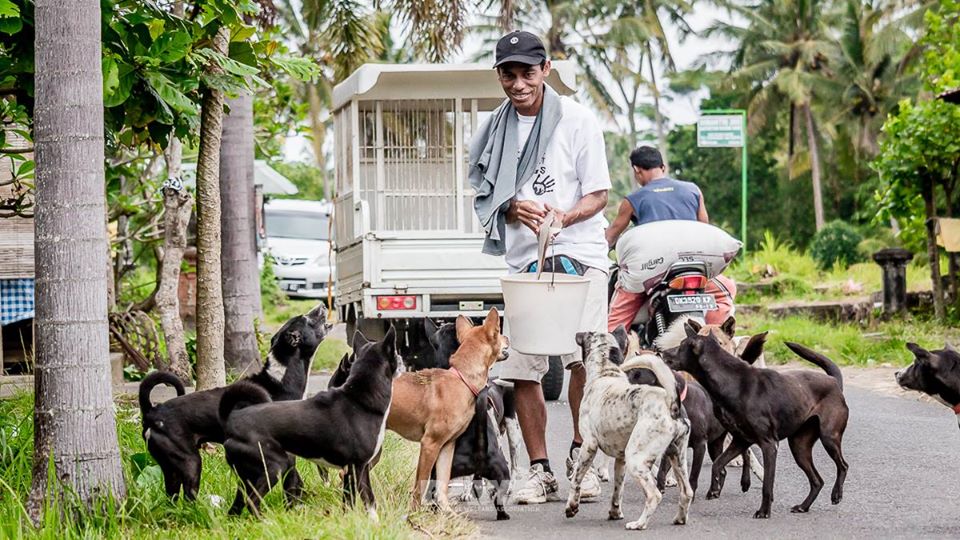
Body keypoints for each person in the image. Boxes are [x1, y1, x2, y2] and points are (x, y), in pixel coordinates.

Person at [468, 30, 611, 504]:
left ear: (546, 70)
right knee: (526, 365)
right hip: (526, 262)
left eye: (527, 72)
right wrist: (513, 208)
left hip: (583, 256)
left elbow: (599, 194)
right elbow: (486, 197)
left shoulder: (577, 120)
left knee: (583, 363)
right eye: (508, 74)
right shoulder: (493, 127)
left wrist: (565, 216)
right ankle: (539, 470)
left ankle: (582, 460)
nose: (518, 83)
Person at [605, 146, 737, 332]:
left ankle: (611, 350)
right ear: (663, 167)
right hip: (693, 265)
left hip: (653, 269)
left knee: (620, 310)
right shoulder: (693, 190)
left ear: (637, 170)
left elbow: (611, 235)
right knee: (726, 291)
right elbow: (704, 226)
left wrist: (601, 249)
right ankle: (718, 337)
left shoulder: (633, 199)